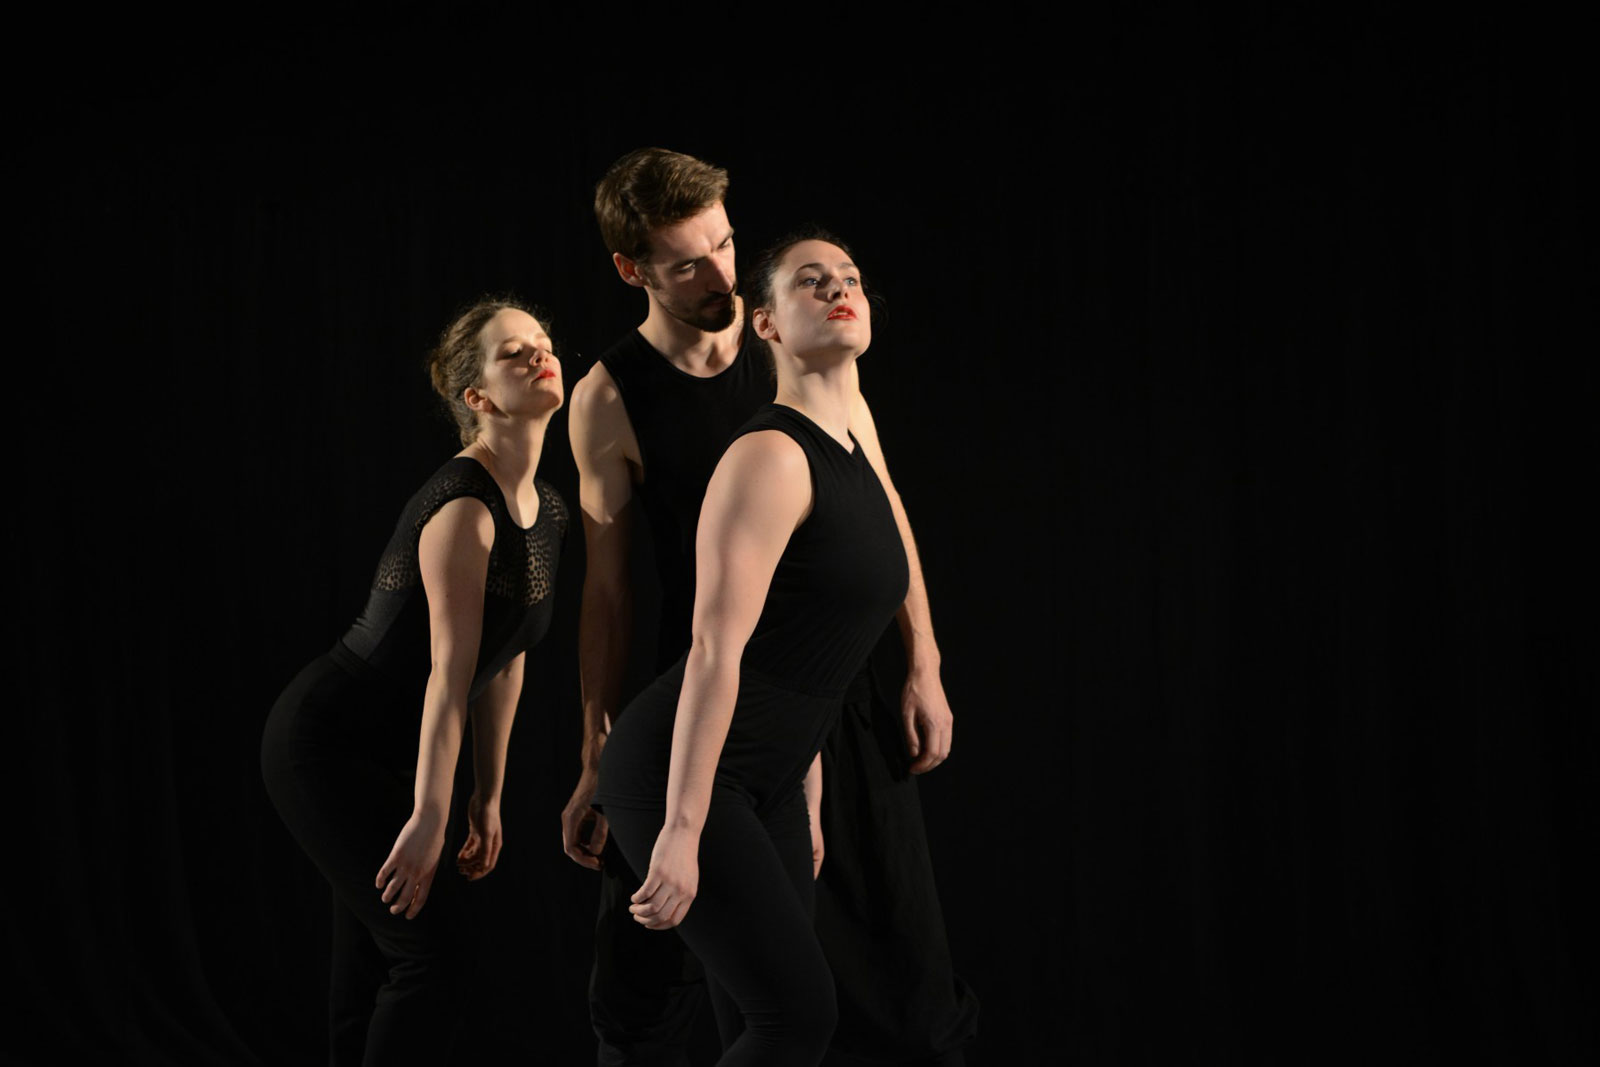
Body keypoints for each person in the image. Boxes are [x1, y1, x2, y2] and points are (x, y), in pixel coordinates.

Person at [561, 148, 976, 1066]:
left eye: (725, 245)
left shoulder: (813, 362)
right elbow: (611, 590)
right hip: (704, 695)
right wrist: (597, 750)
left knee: (847, 980)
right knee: (673, 985)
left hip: (808, 699)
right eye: (688, 264)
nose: (719, 274)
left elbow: (884, 509)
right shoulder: (614, 398)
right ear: (631, 270)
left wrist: (924, 658)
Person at [593, 229, 905, 1066]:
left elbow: (800, 646)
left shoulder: (851, 452)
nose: (839, 289)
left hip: (768, 779)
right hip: (680, 774)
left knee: (758, 1026)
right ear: (764, 323)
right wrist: (680, 826)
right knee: (797, 1018)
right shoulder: (770, 456)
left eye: (851, 277)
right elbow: (714, 649)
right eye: (812, 281)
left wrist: (805, 780)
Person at [261, 299, 568, 1066]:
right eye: (514, 353)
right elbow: (449, 674)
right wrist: (433, 813)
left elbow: (508, 654)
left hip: (394, 754)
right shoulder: (465, 506)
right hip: (325, 742)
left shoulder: (549, 511)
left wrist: (487, 795)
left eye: (543, 343)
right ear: (477, 397)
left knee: (371, 964)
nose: (540, 355)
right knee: (434, 954)